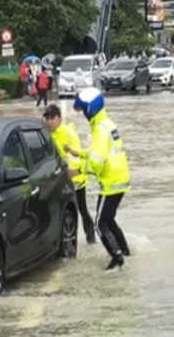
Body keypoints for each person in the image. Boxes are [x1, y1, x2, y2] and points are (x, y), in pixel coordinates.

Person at [65, 88, 131, 271]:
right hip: (120, 177)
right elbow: (97, 154)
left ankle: (117, 258)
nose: (82, 114)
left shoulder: (100, 130)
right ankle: (125, 250)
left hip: (111, 181)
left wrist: (76, 171)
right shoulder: (105, 123)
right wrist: (77, 152)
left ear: (90, 109)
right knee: (109, 219)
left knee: (99, 223)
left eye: (82, 110)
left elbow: (96, 164)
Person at [43, 105, 95, 244]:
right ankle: (67, 240)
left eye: (51, 118)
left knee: (82, 210)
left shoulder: (68, 133)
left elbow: (75, 156)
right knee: (65, 211)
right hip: (60, 178)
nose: (48, 121)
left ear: (59, 118)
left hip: (75, 178)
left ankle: (91, 238)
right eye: (46, 118)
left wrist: (72, 172)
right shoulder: (49, 134)